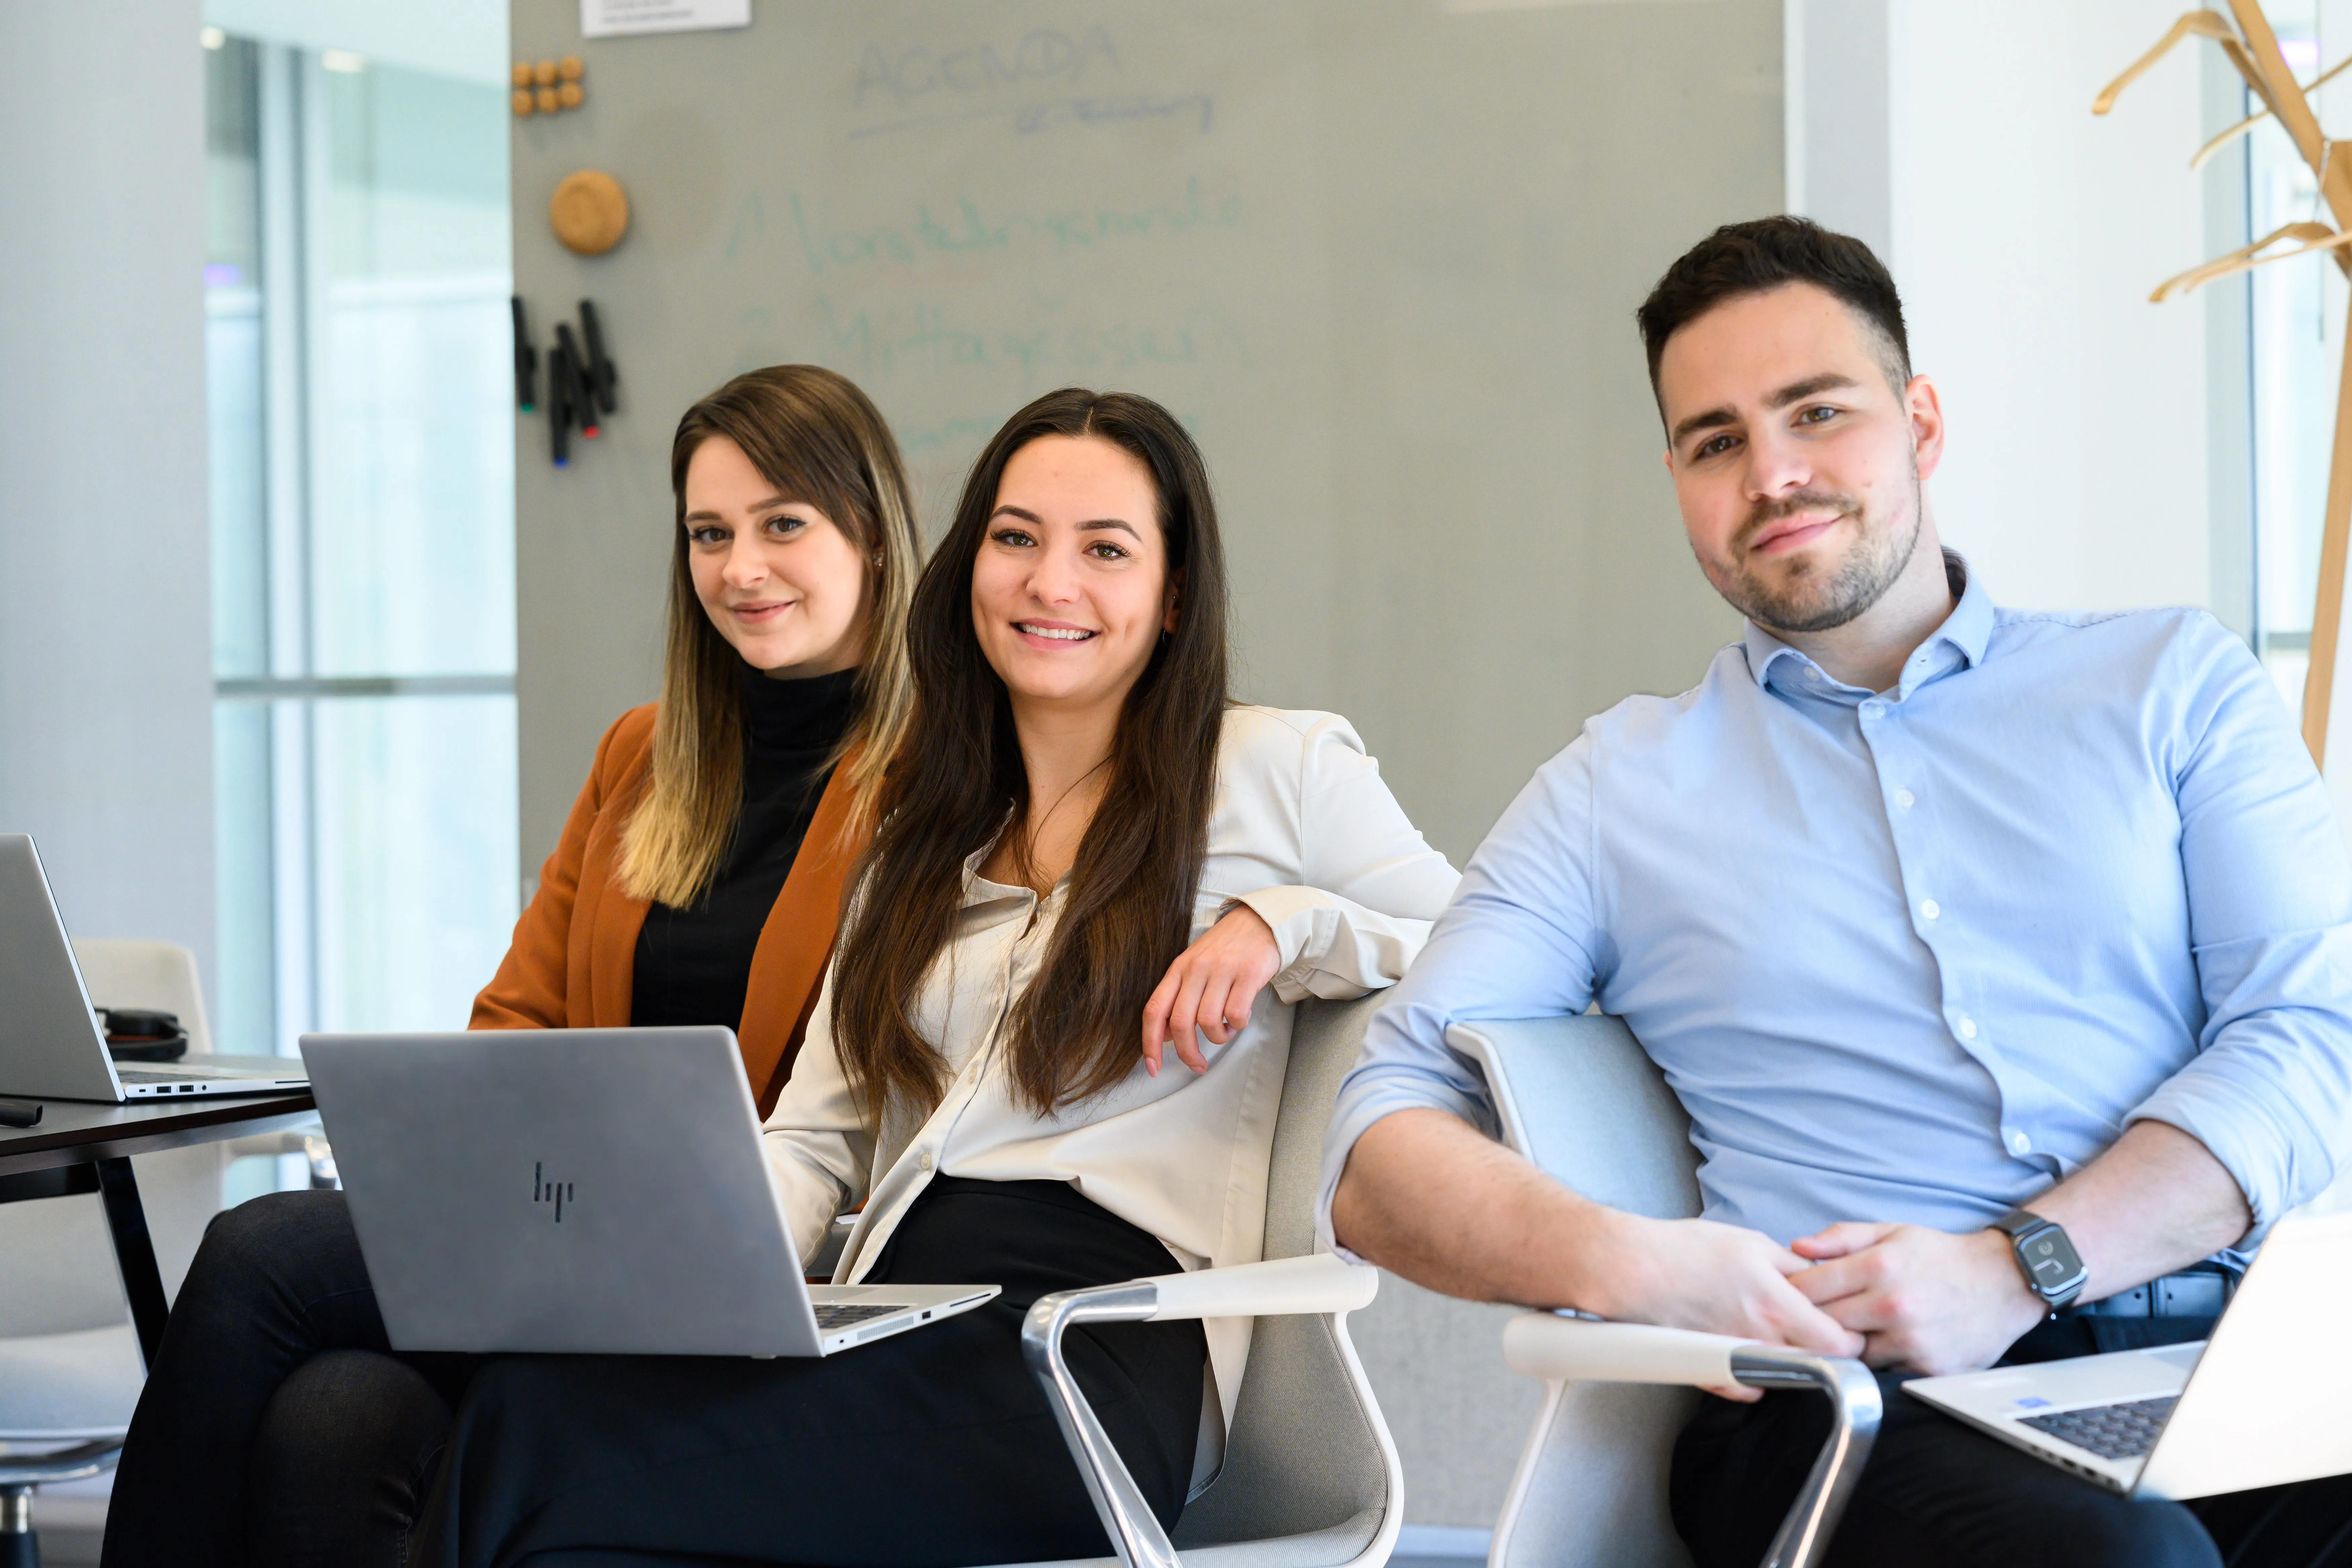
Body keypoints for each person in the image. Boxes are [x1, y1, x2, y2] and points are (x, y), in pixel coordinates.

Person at [1321, 216, 2352, 1568]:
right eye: (1713, 441)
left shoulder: (2171, 683)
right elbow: (1370, 1134)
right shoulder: (1613, 790)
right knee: (2122, 1562)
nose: (1774, 473)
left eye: (1817, 411)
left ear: (1920, 421)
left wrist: (2014, 1266)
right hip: (1846, 1405)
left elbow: (2314, 1032)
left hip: (2218, 1352)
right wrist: (1632, 1263)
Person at [102, 363, 925, 1567]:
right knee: (335, 1419)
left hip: (750, 1263)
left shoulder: (943, 781)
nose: (739, 568)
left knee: (262, 1252)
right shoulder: (646, 755)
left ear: (872, 531)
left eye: (782, 524)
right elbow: (519, 1020)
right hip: (565, 1228)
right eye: (709, 533)